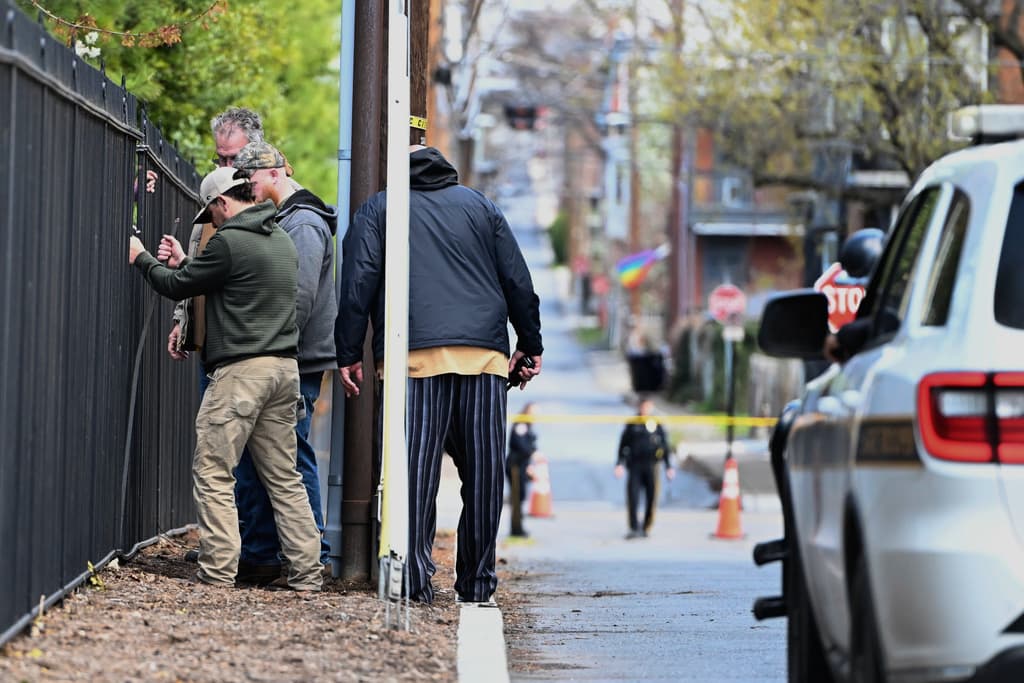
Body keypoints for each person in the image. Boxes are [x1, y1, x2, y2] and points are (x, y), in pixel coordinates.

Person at [335, 145, 543, 604]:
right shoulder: (481, 207)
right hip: (483, 360)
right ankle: (476, 583)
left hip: (413, 360)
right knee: (486, 474)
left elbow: (358, 281)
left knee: (414, 476)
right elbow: (517, 280)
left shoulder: (382, 207)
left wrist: (348, 350)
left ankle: (413, 580)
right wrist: (530, 344)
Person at [128, 167, 322, 592]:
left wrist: (140, 257)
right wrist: (190, 261)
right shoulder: (282, 241)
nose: (210, 222)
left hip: (241, 375)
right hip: (283, 372)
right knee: (284, 477)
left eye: (210, 212)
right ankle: (308, 574)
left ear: (221, 202)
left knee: (214, 469)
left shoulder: (231, 241)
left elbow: (176, 285)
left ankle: (217, 571)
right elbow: (233, 285)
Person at [232, 140, 338, 570]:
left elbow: (299, 295)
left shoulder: (304, 224)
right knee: (277, 454)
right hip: (289, 351)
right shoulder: (289, 219)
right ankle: (273, 554)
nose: (248, 188)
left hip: (297, 356)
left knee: (293, 452)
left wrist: (267, 343)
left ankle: (312, 555)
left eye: (251, 180)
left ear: (276, 174)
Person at [615, 398, 675, 539]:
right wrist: (619, 464)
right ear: (639, 407)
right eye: (643, 406)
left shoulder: (656, 424)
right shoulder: (632, 423)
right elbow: (623, 445)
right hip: (635, 465)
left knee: (651, 497)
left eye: (647, 406)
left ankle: (646, 526)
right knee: (633, 496)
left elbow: (664, 446)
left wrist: (668, 466)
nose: (645, 409)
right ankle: (634, 527)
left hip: (652, 465)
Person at [507, 402, 539, 538]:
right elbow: (520, 444)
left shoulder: (527, 426)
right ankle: (516, 529)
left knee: (520, 497)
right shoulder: (521, 424)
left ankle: (519, 528)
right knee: (516, 497)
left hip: (522, 466)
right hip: (515, 466)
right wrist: (532, 453)